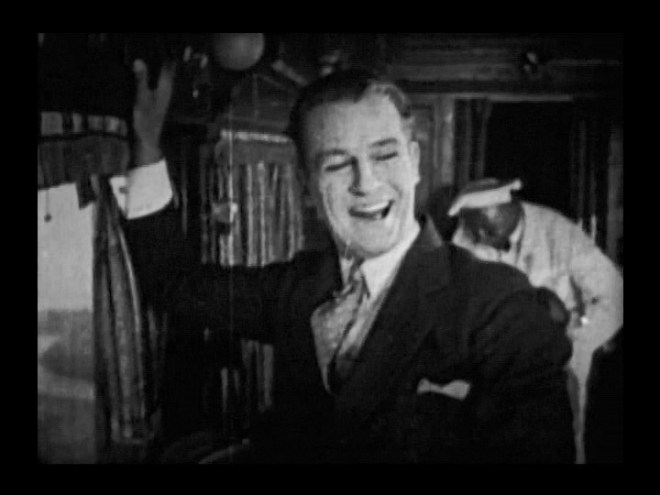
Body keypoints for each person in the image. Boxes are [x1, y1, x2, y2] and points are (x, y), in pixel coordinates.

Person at [115, 61, 575, 463]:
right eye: (337, 164)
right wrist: (147, 146)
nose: (366, 183)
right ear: (305, 187)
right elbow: (175, 285)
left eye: (385, 155)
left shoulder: (499, 303)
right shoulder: (297, 287)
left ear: (414, 162)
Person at [448, 178, 624, 463]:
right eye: (472, 228)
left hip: (558, 360)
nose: (478, 237)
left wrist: (577, 340)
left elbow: (615, 296)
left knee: (555, 444)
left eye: (487, 228)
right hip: (494, 359)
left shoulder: (558, 232)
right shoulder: (467, 234)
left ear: (510, 208)